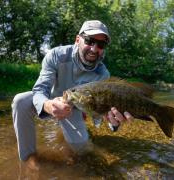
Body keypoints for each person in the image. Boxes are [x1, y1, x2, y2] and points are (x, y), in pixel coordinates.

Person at [11, 20, 133, 169]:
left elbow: (105, 113)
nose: (94, 49)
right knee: (20, 101)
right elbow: (40, 90)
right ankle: (29, 157)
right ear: (77, 40)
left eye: (101, 45)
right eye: (89, 41)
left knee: (83, 152)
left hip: (75, 111)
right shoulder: (56, 55)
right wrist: (48, 105)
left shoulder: (103, 75)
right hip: (50, 100)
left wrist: (114, 124)